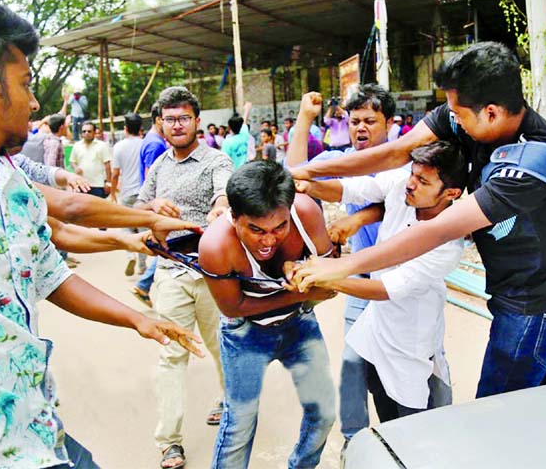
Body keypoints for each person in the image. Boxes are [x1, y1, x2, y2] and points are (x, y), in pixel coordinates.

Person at [0, 0, 201, 468]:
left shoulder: (11, 179)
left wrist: (137, 319)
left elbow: (51, 274)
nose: (34, 102)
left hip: (33, 430)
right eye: (26, 83)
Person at [290, 41, 546, 399]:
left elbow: (437, 230)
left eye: (458, 114)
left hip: (536, 300)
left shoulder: (530, 164)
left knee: (498, 404)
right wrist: (305, 170)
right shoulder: (466, 115)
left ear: (490, 112)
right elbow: (395, 153)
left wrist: (341, 267)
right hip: (515, 286)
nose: (451, 119)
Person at [298, 141, 467, 426]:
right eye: (413, 174)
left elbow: (386, 289)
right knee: (382, 403)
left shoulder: (448, 244)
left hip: (410, 341)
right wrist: (309, 186)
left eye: (423, 181)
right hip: (378, 326)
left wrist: (329, 276)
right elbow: (353, 189)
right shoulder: (404, 185)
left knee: (417, 425)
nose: (411, 184)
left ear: (451, 193)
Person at [198, 160, 337, 469]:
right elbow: (232, 307)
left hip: (299, 323)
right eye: (256, 230)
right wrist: (300, 292)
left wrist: (305, 272)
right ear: (233, 216)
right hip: (245, 334)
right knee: (239, 424)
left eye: (279, 227)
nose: (269, 240)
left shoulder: (306, 214)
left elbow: (332, 275)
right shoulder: (215, 246)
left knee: (324, 411)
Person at [286, 85, 395, 451]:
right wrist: (305, 118)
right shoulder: (346, 160)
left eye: (370, 121)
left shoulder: (405, 160)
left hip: (403, 280)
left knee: (407, 367)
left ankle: (406, 435)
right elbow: (297, 173)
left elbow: (390, 200)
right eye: (355, 121)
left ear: (390, 123)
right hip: (360, 277)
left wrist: (360, 219)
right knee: (353, 362)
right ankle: (355, 440)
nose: (361, 128)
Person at [135, 86, 234, 469]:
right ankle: (169, 442)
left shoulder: (215, 160)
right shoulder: (159, 167)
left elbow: (224, 194)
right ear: (161, 124)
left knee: (221, 346)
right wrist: (150, 207)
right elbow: (139, 205)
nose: (177, 125)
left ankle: (230, 402)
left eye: (184, 118)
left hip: (210, 270)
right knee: (172, 354)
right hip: (170, 270)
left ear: (197, 121)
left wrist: (218, 209)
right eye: (170, 119)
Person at [133, 103, 170, 305]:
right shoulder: (156, 144)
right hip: (158, 204)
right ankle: (144, 284)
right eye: (169, 120)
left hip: (156, 204)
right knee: (167, 246)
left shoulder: (152, 140)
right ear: (158, 120)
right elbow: (151, 176)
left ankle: (144, 284)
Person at [111, 112, 147, 276]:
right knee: (141, 230)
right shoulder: (145, 144)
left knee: (125, 227)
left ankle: (130, 254)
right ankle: (141, 265)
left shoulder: (118, 146)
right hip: (144, 193)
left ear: (125, 129)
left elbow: (115, 173)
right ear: (140, 129)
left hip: (126, 192)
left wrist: (112, 193)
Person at [70, 122, 112, 198]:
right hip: (82, 185)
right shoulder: (76, 146)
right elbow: (72, 161)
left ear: (94, 132)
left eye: (89, 131)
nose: (86, 133)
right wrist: (76, 168)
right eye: (84, 131)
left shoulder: (102, 146)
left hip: (98, 185)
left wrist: (108, 183)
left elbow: (107, 165)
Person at [222, 102, 253, 169]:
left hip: (234, 172)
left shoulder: (227, 142)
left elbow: (224, 161)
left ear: (229, 127)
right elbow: (245, 120)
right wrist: (247, 109)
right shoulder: (244, 133)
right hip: (245, 169)